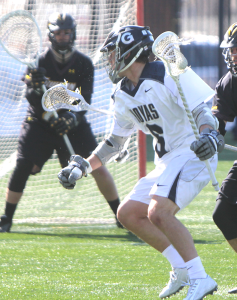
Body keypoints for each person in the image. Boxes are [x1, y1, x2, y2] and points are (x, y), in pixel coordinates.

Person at [57, 25, 225, 299]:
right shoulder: (121, 94)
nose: (110, 60)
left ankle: (200, 277)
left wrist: (209, 136)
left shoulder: (169, 73)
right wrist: (83, 166)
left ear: (130, 51)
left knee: (158, 212)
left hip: (193, 154)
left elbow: (202, 111)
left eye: (113, 53)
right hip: (168, 161)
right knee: (127, 214)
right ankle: (181, 268)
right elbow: (115, 143)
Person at [0, 12, 123, 233]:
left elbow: (85, 99)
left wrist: (72, 117)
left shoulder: (84, 63)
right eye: (58, 32)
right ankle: (6, 218)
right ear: (51, 35)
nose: (63, 37)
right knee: (24, 165)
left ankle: (120, 215)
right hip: (40, 121)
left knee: (97, 166)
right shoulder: (38, 62)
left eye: (67, 32)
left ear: (73, 33)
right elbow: (29, 96)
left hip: (73, 122)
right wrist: (35, 86)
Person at [212, 22, 237, 295]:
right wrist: (209, 135)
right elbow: (217, 123)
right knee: (223, 213)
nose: (234, 55)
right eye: (231, 50)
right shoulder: (230, 83)